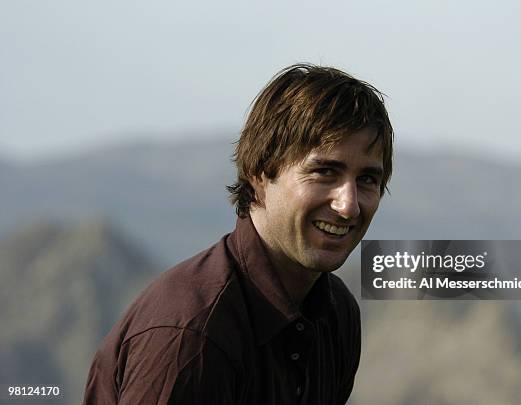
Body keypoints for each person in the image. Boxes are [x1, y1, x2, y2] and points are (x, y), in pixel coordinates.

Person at [83, 63, 393, 404]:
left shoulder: (335, 314)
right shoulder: (193, 336)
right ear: (259, 173)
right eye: (324, 172)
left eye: (367, 179)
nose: (348, 206)